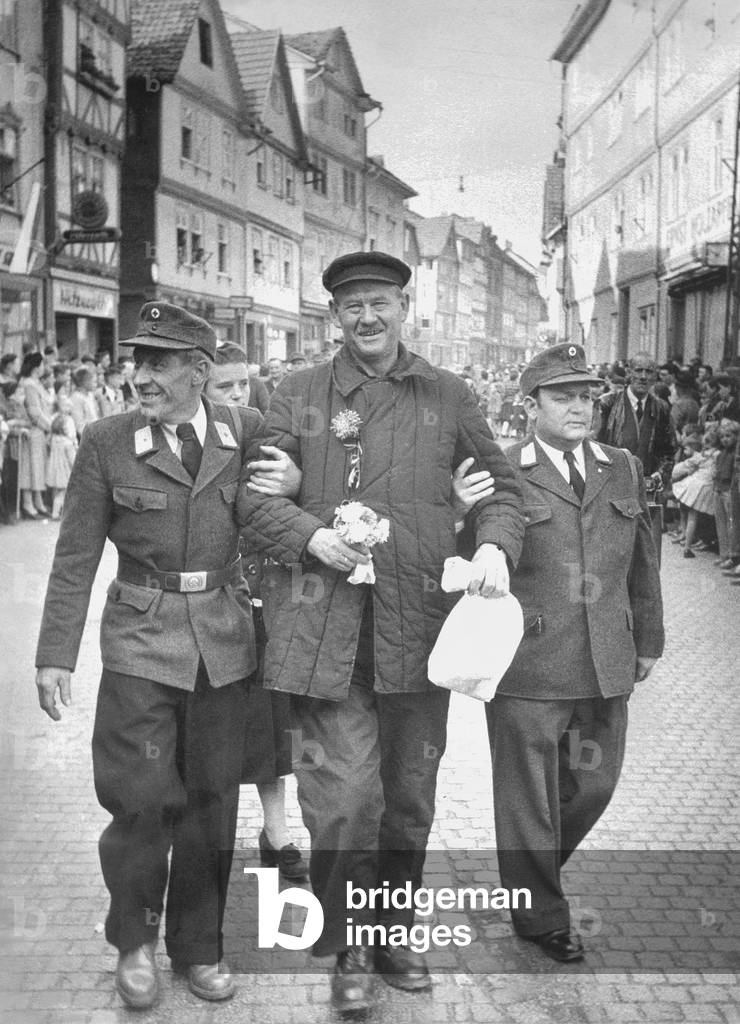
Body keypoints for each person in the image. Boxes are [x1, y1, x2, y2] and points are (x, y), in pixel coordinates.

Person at [236, 251, 524, 1015]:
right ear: (335, 316)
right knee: (342, 803)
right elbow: (251, 500)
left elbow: (504, 492)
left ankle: (394, 928)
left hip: (418, 635)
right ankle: (349, 944)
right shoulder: (297, 393)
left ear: (405, 307)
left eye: (380, 303)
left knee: (408, 800)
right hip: (325, 633)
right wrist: (311, 536)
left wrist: (492, 542)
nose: (367, 318)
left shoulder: (448, 393)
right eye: (352, 306)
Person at [35, 302, 261, 1009]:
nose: (140, 377)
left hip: (223, 644)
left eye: (157, 364)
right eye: (137, 362)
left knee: (211, 801)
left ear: (200, 372)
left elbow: (277, 517)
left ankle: (200, 947)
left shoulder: (244, 431)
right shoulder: (107, 441)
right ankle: (135, 942)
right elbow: (75, 554)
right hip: (139, 641)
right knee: (138, 800)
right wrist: (55, 654)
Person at [483, 342, 664, 964]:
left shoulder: (623, 466)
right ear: (530, 404)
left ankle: (526, 875)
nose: (579, 406)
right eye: (563, 396)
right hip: (528, 661)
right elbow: (476, 547)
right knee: (526, 795)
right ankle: (540, 915)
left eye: (587, 395)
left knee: (594, 786)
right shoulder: (504, 469)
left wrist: (650, 640)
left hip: (606, 656)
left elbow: (645, 556)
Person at [203, 341, 309, 879]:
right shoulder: (197, 445)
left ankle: (277, 831)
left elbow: (295, 501)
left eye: (244, 384)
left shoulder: (266, 437)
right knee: (215, 726)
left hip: (266, 593)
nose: (240, 396)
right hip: (216, 607)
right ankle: (202, 833)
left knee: (272, 721)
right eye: (226, 387)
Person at [593, 352, 674, 477]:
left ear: (655, 376)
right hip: (613, 483)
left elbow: (669, 450)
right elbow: (593, 445)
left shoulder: (661, 408)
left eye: (648, 372)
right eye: (638, 370)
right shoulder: (607, 404)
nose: (643, 377)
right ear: (629, 373)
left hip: (647, 486)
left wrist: (660, 473)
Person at [671, 424, 720, 558]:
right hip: (705, 487)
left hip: (695, 484)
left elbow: (686, 465)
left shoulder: (701, 455)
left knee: (692, 517)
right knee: (695, 517)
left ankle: (687, 545)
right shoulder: (717, 455)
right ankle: (689, 545)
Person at [18, 352, 53, 518]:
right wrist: (49, 427)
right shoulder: (29, 384)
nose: (44, 368)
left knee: (38, 467)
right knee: (31, 467)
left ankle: (38, 502)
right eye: (42, 364)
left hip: (41, 430)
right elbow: (34, 411)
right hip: (34, 430)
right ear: (36, 367)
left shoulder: (35, 383)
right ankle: (28, 504)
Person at [46, 405, 77, 519]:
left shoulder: (52, 440)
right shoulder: (67, 443)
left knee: (57, 493)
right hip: (64, 471)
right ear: (63, 428)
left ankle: (57, 512)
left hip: (54, 470)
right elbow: (72, 459)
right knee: (63, 493)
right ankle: (56, 513)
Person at [69, 365, 100, 437]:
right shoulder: (76, 398)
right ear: (85, 382)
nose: (96, 385)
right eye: (94, 382)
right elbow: (79, 425)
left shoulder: (90, 395)